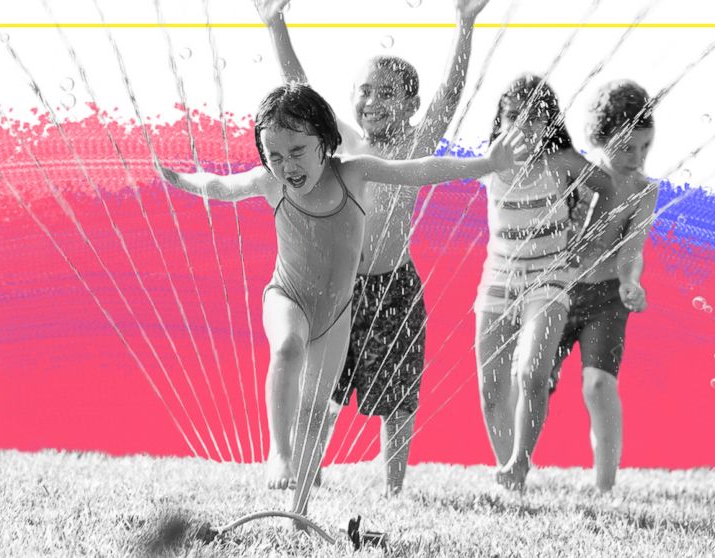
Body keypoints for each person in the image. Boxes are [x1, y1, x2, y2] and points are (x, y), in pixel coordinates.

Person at [157, 82, 524, 524]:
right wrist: (181, 179)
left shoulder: (353, 172)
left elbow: (423, 169)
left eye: (297, 151)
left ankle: (298, 511)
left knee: (315, 408)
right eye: (274, 156)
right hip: (286, 295)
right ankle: (279, 450)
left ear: (325, 141)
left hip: (335, 313)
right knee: (288, 347)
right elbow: (220, 186)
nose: (286, 166)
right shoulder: (269, 183)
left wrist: (488, 163)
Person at [256, 0, 492, 496]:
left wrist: (464, 25)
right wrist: (276, 24)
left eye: (389, 93)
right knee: (320, 391)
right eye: (365, 91)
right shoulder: (341, 145)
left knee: (399, 396)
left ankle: (393, 490)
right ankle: (306, 469)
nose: (374, 101)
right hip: (333, 288)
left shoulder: (414, 144)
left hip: (394, 286)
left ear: (410, 104)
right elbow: (300, 90)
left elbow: (450, 97)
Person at [475, 74, 610, 490]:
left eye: (536, 117)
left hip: (549, 277)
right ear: (499, 122)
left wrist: (587, 240)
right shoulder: (490, 162)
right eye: (514, 116)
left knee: (532, 375)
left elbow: (607, 188)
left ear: (550, 124)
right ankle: (508, 474)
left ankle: (520, 461)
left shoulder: (561, 162)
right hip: (498, 277)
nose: (524, 127)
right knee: (490, 386)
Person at [551, 79, 658, 492]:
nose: (637, 158)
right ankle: (517, 470)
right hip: (558, 290)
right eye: (627, 147)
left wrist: (631, 282)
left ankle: (605, 487)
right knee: (537, 380)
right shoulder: (577, 175)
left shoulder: (644, 190)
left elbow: (632, 248)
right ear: (601, 136)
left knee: (599, 384)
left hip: (605, 297)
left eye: (645, 147)